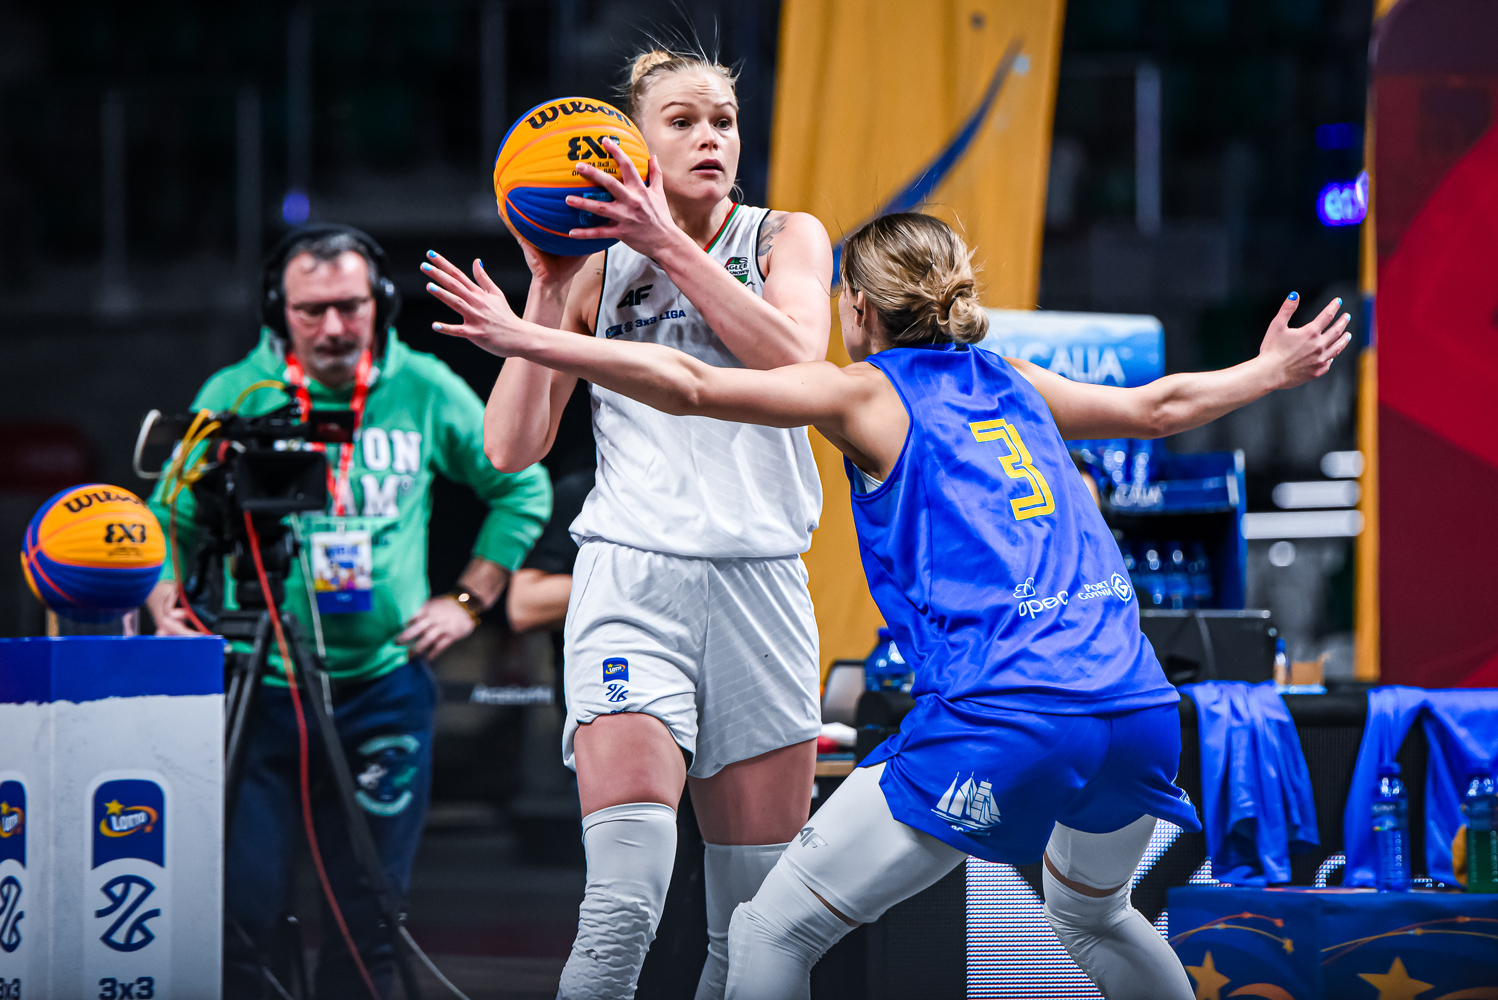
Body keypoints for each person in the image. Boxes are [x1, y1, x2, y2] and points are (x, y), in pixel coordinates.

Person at [422, 211, 1353, 999]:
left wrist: (526, 336)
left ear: (858, 308)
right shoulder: (1014, 380)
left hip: (1006, 718)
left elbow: (692, 384)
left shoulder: (866, 395)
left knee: (767, 933)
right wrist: (1270, 371)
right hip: (1138, 711)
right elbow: (1159, 408)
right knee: (1097, 915)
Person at [429, 46, 834, 1000]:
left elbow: (795, 362)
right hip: (633, 584)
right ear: (633, 146)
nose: (710, 138)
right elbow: (511, 447)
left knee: (759, 927)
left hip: (763, 584)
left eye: (723, 121)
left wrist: (669, 245)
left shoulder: (786, 237)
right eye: (682, 122)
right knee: (621, 909)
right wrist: (544, 285)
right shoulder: (596, 271)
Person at [145, 224, 551, 999]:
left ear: (381, 302)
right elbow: (170, 514)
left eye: (350, 306)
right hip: (258, 695)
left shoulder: (423, 387)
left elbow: (520, 485)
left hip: (383, 690)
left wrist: (470, 599)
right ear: (279, 309)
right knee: (240, 913)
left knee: (367, 913)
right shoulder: (235, 393)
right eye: (311, 310)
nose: (333, 327)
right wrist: (165, 594)